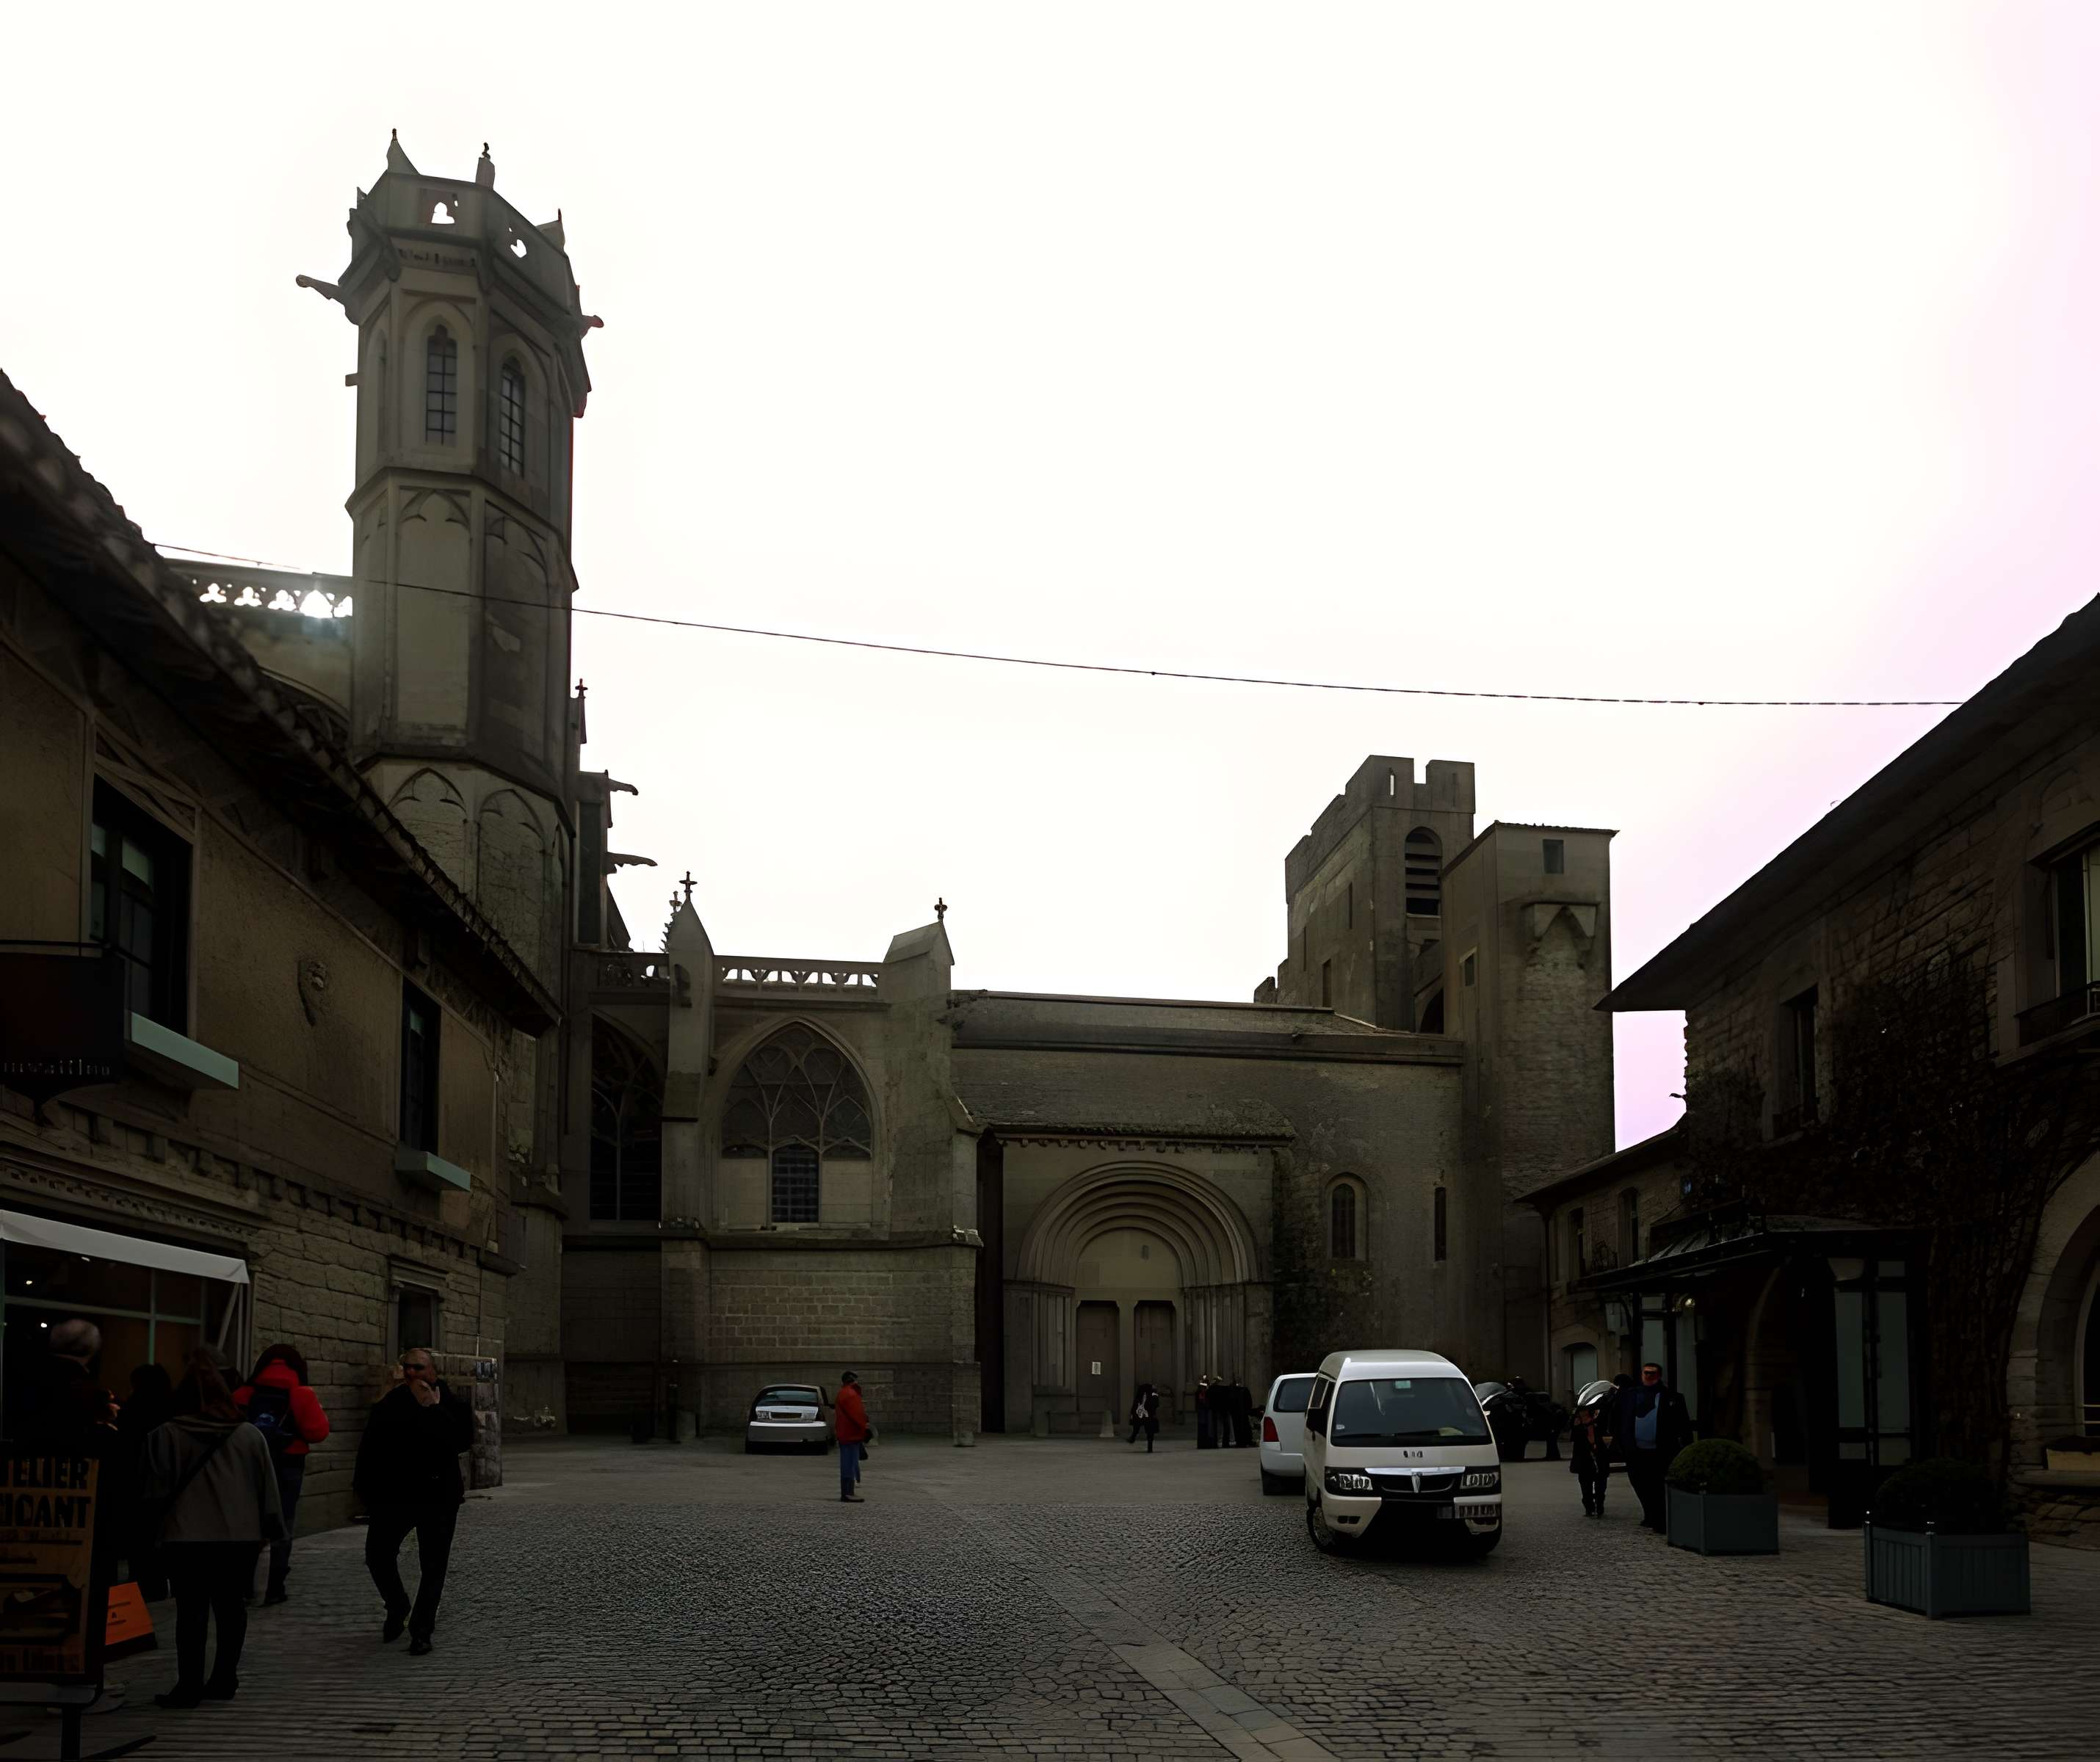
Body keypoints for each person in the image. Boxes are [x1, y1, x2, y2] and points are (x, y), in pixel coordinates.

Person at [142, 1346, 283, 1708]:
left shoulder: (164, 1436)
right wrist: (272, 1530)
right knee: (231, 1609)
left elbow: (155, 1491)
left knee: (191, 1613)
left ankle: (189, 1685)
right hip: (238, 1537)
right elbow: (267, 1488)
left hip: (186, 1538)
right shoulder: (250, 1435)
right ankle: (224, 1677)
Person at [355, 1347, 474, 1655]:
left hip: (438, 1497)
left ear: (433, 1371)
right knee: (378, 1555)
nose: (411, 1373)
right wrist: (365, 1494)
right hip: (395, 1497)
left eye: (418, 1368)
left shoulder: (452, 1404)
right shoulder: (391, 1404)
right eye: (406, 1367)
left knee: (433, 1566)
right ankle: (397, 1605)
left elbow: (461, 1441)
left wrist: (432, 1409)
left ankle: (422, 1630)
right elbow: (369, 1450)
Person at [233, 1344, 331, 1605]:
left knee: (249, 1521)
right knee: (284, 1522)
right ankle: (274, 1587)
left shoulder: (244, 1393)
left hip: (250, 1463)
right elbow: (318, 1432)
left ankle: (244, 1585)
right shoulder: (301, 1394)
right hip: (289, 1461)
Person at [115, 1363, 177, 1600]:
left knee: (140, 1539)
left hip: (137, 1482)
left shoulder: (132, 1409)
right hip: (164, 1483)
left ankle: (142, 1582)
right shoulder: (170, 1409)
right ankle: (157, 1582)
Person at [1614, 1361, 1692, 1531]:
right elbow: (1617, 1419)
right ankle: (1650, 1514)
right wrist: (1621, 1443)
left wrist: (1685, 1447)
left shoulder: (1673, 1397)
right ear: (1642, 1375)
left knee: (1657, 1484)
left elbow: (1683, 1425)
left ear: (1659, 1376)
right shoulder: (1630, 1395)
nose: (1649, 1376)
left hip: (1661, 1451)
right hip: (1635, 1450)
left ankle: (1659, 1519)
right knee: (1639, 1483)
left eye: (1653, 1373)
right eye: (1646, 1373)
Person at [1568, 1395, 1611, 1518]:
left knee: (1600, 1485)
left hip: (1599, 1457)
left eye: (1585, 1412)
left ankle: (1599, 1505)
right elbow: (1575, 1439)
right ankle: (1589, 1507)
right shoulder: (1577, 1425)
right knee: (1586, 1486)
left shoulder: (1599, 1422)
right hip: (1584, 1459)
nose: (1582, 1415)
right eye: (1581, 1413)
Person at [833, 1371, 870, 1502]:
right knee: (850, 1463)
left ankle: (848, 1492)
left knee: (848, 1462)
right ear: (853, 1380)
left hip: (845, 1433)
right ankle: (848, 1493)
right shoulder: (851, 1394)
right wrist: (865, 1429)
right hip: (851, 1434)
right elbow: (857, 1415)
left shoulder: (844, 1393)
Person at [1128, 1383, 1161, 1452]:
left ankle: (1133, 1438)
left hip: (1143, 1414)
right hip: (1149, 1415)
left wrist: (1132, 1414)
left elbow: (1135, 1406)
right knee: (1150, 1433)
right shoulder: (1153, 1395)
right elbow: (1156, 1405)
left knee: (1137, 1427)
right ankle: (1150, 1448)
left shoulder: (1140, 1395)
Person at [1230, 1377, 1254, 1449]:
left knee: (1240, 1427)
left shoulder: (1239, 1391)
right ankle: (1243, 1441)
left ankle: (1242, 1442)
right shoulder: (1243, 1391)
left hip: (1240, 1413)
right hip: (1241, 1413)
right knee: (1241, 1427)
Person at [1195, 1376, 1215, 1449]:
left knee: (1207, 1428)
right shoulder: (1199, 1393)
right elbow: (1200, 1402)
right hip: (1202, 1412)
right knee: (1202, 1428)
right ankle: (1203, 1443)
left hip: (1206, 1412)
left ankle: (1206, 1443)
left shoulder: (1207, 1392)